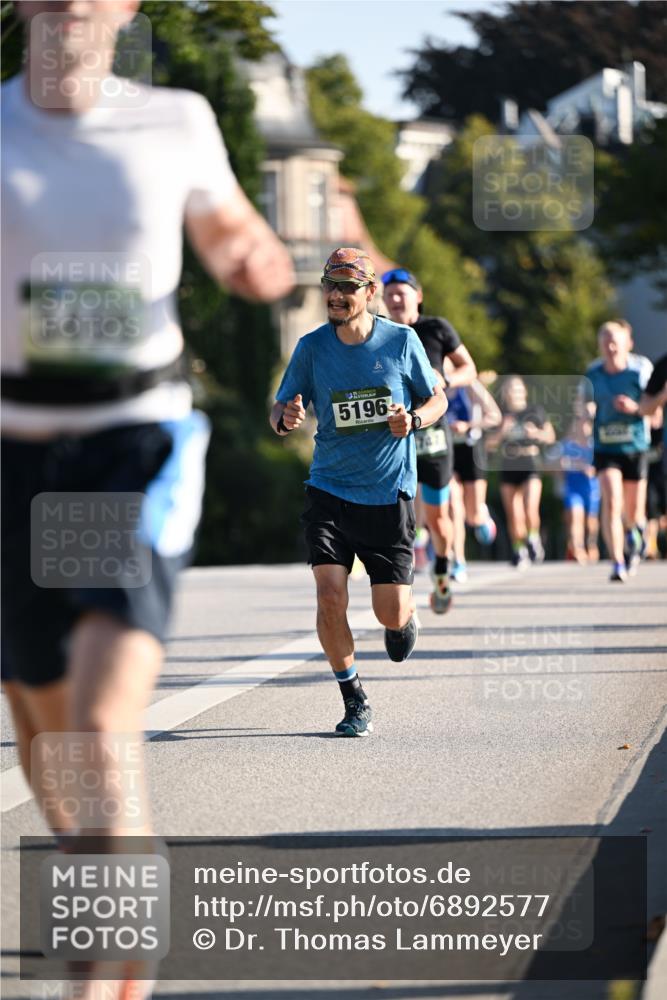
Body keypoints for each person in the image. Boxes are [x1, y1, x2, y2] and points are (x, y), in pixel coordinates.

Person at [2, 2, 294, 993]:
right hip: (12, 456)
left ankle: (97, 973)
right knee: (56, 752)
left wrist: (256, 260)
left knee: (95, 727)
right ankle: (122, 895)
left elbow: (235, 236)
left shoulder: (176, 120)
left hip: (133, 443)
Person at [270, 248, 446, 737]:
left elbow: (437, 398)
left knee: (388, 610)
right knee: (330, 595)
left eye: (349, 287)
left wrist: (411, 419)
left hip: (387, 492)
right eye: (331, 285)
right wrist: (284, 418)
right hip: (328, 488)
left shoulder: (401, 342)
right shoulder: (310, 348)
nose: (337, 295)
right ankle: (354, 699)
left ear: (370, 293)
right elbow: (281, 405)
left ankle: (403, 619)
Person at [380, 268, 476, 612]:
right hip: (393, 436)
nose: (393, 299)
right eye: (388, 294)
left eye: (400, 293)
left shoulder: (437, 329)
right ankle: (399, 591)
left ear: (417, 295)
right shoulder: (379, 331)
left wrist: (446, 376)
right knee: (397, 517)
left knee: (436, 517)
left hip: (433, 435)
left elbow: (470, 368)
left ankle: (442, 568)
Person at [584, 321, 652, 581]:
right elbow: (584, 405)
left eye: (615, 342)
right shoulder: (593, 373)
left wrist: (634, 408)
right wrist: (586, 413)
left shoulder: (641, 369)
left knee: (633, 512)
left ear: (627, 344)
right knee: (611, 500)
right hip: (605, 447)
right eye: (605, 342)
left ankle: (636, 531)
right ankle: (617, 562)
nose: (610, 347)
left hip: (635, 446)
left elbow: (652, 404)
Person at [486, 375, 556, 568]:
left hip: (530, 461)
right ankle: (519, 549)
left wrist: (536, 433)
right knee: (514, 513)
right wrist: (502, 431)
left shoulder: (535, 411)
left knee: (530, 507)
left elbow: (550, 436)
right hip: (508, 463)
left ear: (524, 391)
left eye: (517, 389)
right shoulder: (501, 414)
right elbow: (488, 444)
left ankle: (533, 539)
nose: (513, 393)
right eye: (509, 390)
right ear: (505, 394)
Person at [448, 368, 502, 582]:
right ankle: (458, 560)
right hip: (446, 451)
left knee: (472, 516)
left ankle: (482, 515)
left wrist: (468, 425)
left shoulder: (469, 384)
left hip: (471, 449)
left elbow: (494, 416)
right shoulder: (433, 384)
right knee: (453, 503)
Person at [559, 411, 600, 564]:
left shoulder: (594, 445)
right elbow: (552, 464)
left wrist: (590, 469)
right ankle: (578, 548)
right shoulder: (567, 445)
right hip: (573, 486)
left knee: (590, 521)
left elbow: (601, 466)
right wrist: (559, 467)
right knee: (576, 517)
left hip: (591, 487)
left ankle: (591, 545)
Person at [639, 351, 667, 558]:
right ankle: (650, 545)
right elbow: (645, 406)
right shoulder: (663, 365)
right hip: (656, 455)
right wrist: (662, 397)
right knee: (652, 501)